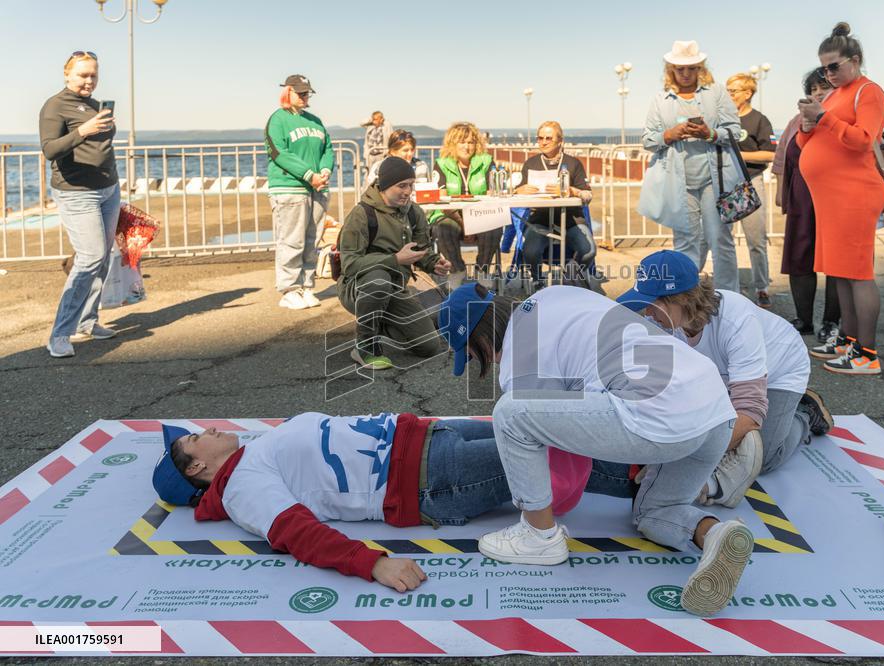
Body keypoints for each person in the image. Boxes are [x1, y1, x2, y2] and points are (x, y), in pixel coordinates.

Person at [438, 282, 754, 617]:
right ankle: (715, 534)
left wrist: (538, 502)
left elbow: (567, 486)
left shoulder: (521, 362)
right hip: (714, 409)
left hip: (661, 416)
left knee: (511, 412)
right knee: (654, 513)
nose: (477, 363)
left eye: (471, 355)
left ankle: (538, 537)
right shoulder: (552, 295)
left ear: (482, 339)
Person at [152, 414, 633, 593]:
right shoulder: (241, 488)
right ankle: (661, 482)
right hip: (428, 477)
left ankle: (655, 472)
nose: (210, 429)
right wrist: (372, 564)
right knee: (549, 452)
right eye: (198, 439)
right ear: (196, 470)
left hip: (422, 435)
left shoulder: (251, 451)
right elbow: (295, 532)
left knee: (543, 431)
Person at [617, 250, 834, 506]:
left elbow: (751, 411)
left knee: (765, 458)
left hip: (780, 369)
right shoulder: (665, 322)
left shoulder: (736, 319)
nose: (646, 312)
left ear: (681, 299)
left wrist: (689, 461)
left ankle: (804, 412)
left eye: (652, 303)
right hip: (724, 372)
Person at [797, 23, 884, 375]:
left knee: (859, 274)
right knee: (841, 273)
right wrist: (808, 126)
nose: (828, 74)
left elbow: (863, 139)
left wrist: (824, 117)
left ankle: (867, 353)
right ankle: (849, 342)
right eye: (824, 68)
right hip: (832, 198)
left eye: (834, 66)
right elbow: (810, 144)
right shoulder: (835, 95)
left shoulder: (868, 92)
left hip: (855, 194)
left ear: (855, 60)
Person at [641, 41, 743, 293]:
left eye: (691, 68)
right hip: (678, 182)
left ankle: (729, 298)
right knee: (685, 241)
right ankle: (686, 298)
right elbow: (647, 139)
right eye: (680, 69)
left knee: (720, 240)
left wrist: (709, 133)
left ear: (700, 68)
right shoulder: (660, 99)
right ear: (671, 70)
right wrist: (670, 134)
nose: (685, 74)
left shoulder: (716, 93)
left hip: (715, 180)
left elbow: (735, 132)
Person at [39, 51, 121, 358]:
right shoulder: (54, 106)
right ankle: (60, 334)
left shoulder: (94, 105)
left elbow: (101, 145)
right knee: (89, 258)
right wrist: (82, 131)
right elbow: (50, 149)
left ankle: (88, 321)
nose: (89, 81)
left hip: (108, 188)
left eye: (93, 75)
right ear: (67, 74)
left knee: (104, 257)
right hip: (77, 192)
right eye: (83, 75)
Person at [338, 157, 450, 370]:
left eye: (411, 185)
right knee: (378, 280)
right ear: (385, 185)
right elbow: (349, 264)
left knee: (429, 346)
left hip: (396, 288)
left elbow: (419, 251)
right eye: (402, 185)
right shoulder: (362, 214)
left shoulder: (414, 212)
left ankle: (378, 323)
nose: (408, 191)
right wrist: (395, 259)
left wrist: (433, 263)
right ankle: (365, 346)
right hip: (358, 288)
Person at [773, 69, 840, 341]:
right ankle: (804, 319)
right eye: (813, 89)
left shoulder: (841, 119)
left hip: (836, 199)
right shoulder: (795, 121)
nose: (818, 93)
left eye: (823, 87)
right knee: (799, 257)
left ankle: (831, 322)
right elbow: (782, 157)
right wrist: (781, 191)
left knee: (836, 262)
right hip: (802, 198)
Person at [265, 74, 335, 310]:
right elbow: (279, 152)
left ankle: (306, 285)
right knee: (291, 241)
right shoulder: (277, 119)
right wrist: (308, 175)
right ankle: (289, 289)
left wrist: (324, 170)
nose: (305, 96)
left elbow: (328, 148)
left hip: (317, 189)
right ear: (288, 92)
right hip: (289, 188)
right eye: (301, 92)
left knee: (312, 241)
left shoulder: (315, 120)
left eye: (308, 92)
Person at [514, 121, 597, 290]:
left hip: (572, 220)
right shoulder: (530, 164)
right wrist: (519, 190)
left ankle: (571, 278)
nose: (543, 142)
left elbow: (588, 195)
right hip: (540, 220)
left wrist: (571, 190)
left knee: (588, 250)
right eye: (540, 138)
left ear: (560, 141)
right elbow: (516, 194)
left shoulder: (573, 163)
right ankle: (538, 282)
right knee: (530, 251)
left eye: (548, 138)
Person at [725, 73, 775, 308]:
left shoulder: (759, 120)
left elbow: (770, 153)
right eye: (727, 90)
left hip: (751, 183)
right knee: (722, 239)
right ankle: (727, 289)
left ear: (748, 93)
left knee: (756, 239)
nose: (729, 95)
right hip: (725, 184)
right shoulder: (722, 119)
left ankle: (761, 287)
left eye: (733, 91)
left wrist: (739, 155)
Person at [430, 122, 498, 277]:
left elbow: (491, 195)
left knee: (494, 228)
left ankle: (482, 272)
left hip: (481, 214)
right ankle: (457, 272)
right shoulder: (442, 164)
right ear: (452, 144)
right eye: (462, 142)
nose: (466, 147)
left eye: (470, 142)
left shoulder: (486, 161)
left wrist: (473, 223)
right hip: (450, 215)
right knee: (443, 228)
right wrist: (464, 224)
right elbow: (443, 200)